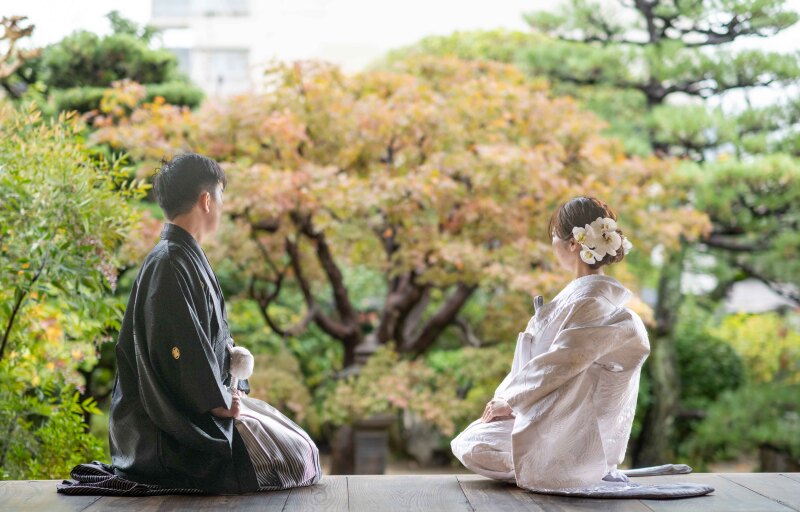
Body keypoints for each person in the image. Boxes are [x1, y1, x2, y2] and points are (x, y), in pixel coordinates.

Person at [108, 153, 321, 494]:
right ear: (206, 200)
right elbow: (179, 353)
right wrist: (219, 402)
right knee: (299, 459)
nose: (221, 207)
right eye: (221, 197)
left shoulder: (182, 256)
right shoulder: (169, 262)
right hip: (169, 434)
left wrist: (230, 389)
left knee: (303, 446)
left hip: (202, 405)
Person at [451, 196, 649, 492]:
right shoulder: (586, 297)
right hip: (552, 410)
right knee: (474, 438)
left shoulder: (591, 301)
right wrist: (508, 400)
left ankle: (584, 467)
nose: (552, 244)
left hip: (574, 427)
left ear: (574, 244)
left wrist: (511, 402)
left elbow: (561, 362)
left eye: (554, 236)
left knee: (475, 445)